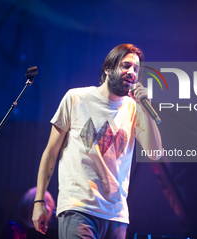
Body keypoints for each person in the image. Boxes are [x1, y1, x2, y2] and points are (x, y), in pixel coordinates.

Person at [32, 44, 162, 239]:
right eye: (126, 66)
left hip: (116, 215)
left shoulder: (135, 109)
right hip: (78, 207)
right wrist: (39, 202)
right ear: (108, 69)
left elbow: (155, 153)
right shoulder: (76, 98)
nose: (131, 72)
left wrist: (147, 109)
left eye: (135, 69)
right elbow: (50, 153)